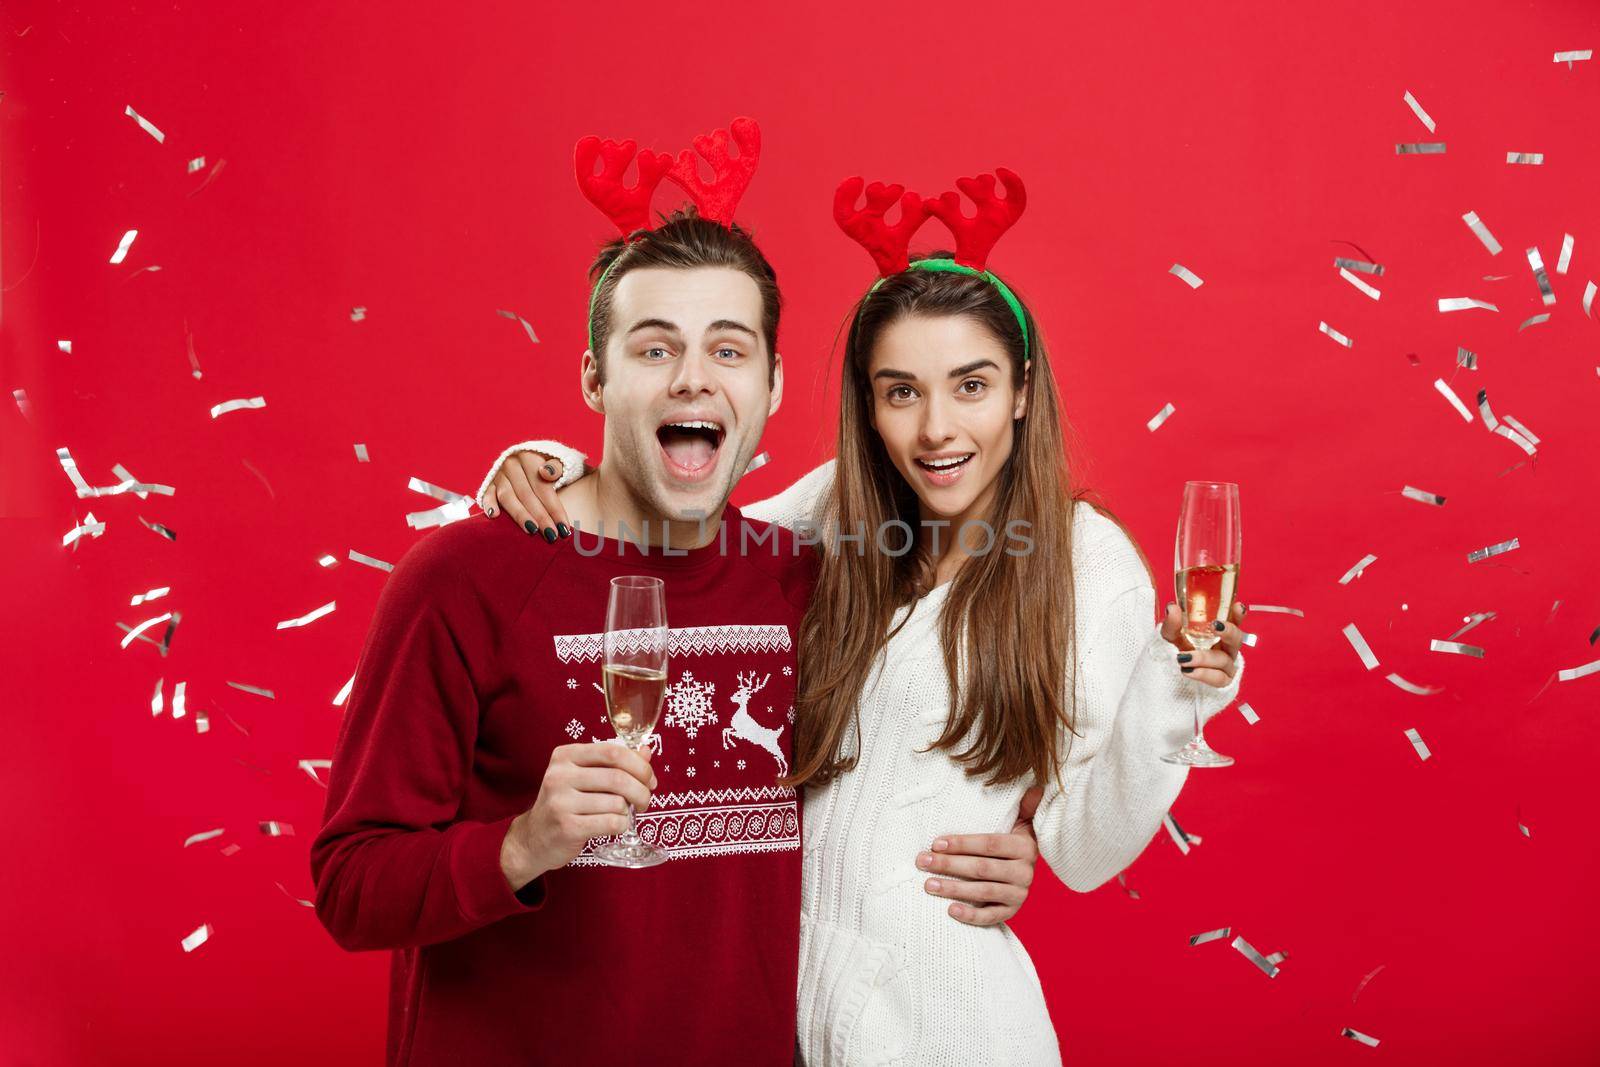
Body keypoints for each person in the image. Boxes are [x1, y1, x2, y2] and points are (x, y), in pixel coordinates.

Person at [310, 119, 1038, 1067]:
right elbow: (349, 884)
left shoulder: (813, 583)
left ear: (773, 386)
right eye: (654, 350)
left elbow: (885, 794)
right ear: (594, 377)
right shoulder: (463, 579)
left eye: (729, 350)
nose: (694, 375)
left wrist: (1009, 848)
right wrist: (522, 844)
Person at [480, 166, 1247, 1065]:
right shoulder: (841, 509)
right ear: (870, 407)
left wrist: (1174, 696)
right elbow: (682, 530)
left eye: (971, 385)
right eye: (901, 391)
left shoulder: (1086, 564)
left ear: (1023, 390)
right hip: (790, 1016)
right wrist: (553, 467)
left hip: (948, 1022)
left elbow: (1082, 847)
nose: (936, 430)